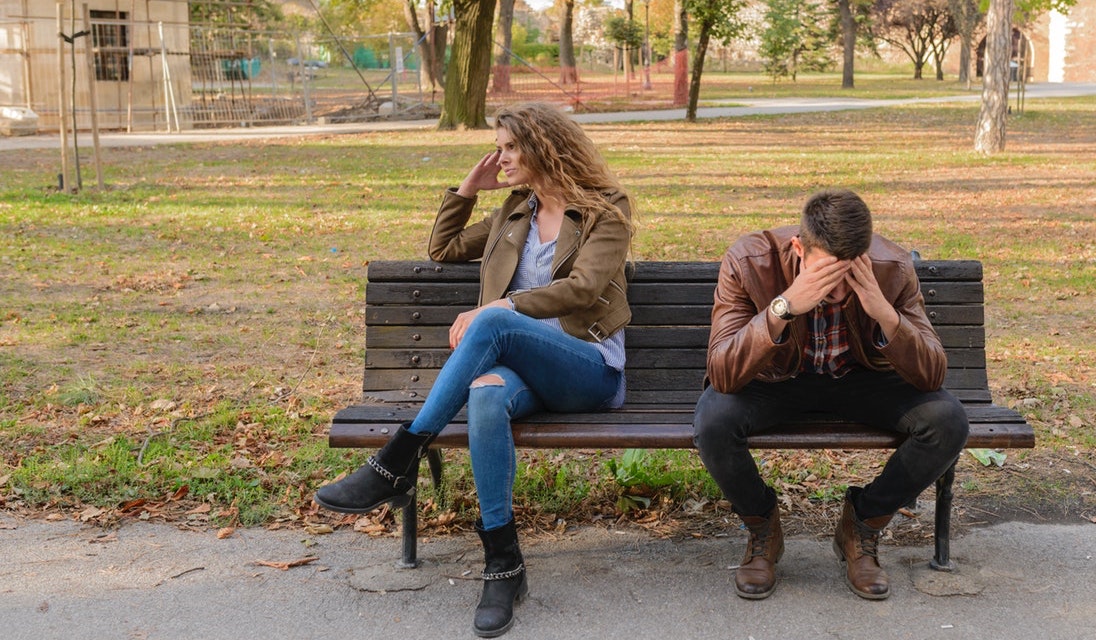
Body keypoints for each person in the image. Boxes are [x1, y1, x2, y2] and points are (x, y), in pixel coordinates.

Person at [314, 102, 633, 638]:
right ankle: (503, 564)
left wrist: (500, 308)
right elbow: (442, 249)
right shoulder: (514, 212)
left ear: (542, 146)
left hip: (588, 369)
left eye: (509, 147)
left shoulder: (606, 207)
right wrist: (467, 188)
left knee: (493, 323)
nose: (500, 157)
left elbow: (584, 289)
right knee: (485, 395)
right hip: (520, 370)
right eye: (500, 148)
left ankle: (398, 458)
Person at [693, 189, 969, 601]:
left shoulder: (891, 266)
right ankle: (762, 527)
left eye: (847, 277)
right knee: (713, 421)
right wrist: (783, 308)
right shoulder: (750, 260)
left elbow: (931, 374)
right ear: (799, 248)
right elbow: (723, 374)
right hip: (776, 382)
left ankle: (862, 524)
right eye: (824, 276)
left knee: (947, 422)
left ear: (864, 257)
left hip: (860, 380)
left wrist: (881, 310)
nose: (835, 292)